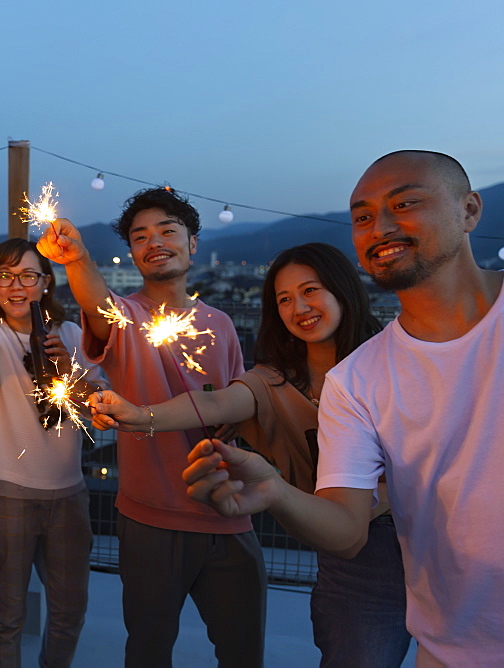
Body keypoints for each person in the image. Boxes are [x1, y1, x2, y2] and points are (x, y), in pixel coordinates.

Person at [183, 151, 504, 665]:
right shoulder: (356, 380)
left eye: (405, 204)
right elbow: (346, 528)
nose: (381, 226)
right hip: (451, 646)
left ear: (469, 210)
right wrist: (275, 490)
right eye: (362, 217)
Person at [90, 242, 412, 666]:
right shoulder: (274, 382)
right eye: (284, 299)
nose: (299, 307)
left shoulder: (394, 359)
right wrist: (138, 414)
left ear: (342, 288)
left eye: (311, 290)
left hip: (435, 539)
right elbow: (214, 403)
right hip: (356, 555)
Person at [37, 187, 265, 667]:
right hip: (151, 518)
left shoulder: (220, 323)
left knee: (243, 650)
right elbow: (98, 305)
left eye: (167, 231)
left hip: (229, 509)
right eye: (140, 236)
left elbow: (235, 406)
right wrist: (76, 259)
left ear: (193, 242)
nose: (154, 241)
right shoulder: (127, 315)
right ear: (132, 252)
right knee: (148, 650)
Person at [0, 238, 106, 667]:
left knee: (69, 611)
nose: (16, 286)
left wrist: (68, 372)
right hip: (4, 488)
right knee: (6, 616)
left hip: (68, 492)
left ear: (46, 283)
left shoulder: (71, 334)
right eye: (5, 276)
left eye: (27, 275)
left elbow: (96, 403)